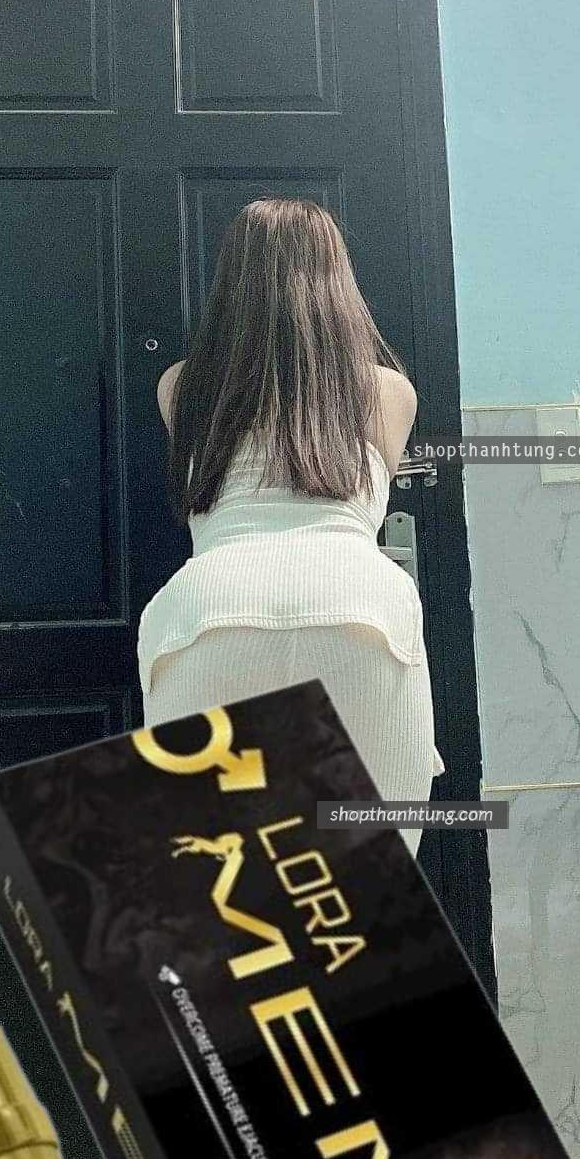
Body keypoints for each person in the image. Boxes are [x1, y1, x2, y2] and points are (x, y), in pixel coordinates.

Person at [137, 197, 443, 855]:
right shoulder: (388, 392)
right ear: (338, 278)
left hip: (209, 609)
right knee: (370, 882)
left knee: (224, 885)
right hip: (361, 607)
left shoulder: (182, 387)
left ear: (231, 279)